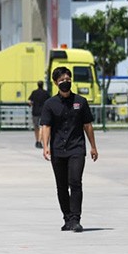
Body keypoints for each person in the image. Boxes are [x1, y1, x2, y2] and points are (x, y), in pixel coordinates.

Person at [40, 67, 99, 233]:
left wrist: (93, 146)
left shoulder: (80, 101)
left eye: (68, 79)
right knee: (61, 186)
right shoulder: (50, 104)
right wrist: (45, 146)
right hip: (58, 149)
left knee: (75, 182)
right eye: (61, 80)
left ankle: (75, 219)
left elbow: (88, 125)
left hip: (77, 148)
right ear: (55, 83)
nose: (65, 82)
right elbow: (46, 126)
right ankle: (67, 218)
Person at [28, 80, 50, 148]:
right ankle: (40, 141)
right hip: (43, 112)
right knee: (41, 126)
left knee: (36, 127)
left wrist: (31, 104)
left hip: (35, 112)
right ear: (43, 85)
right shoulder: (46, 93)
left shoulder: (34, 92)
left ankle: (37, 140)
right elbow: (49, 102)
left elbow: (29, 102)